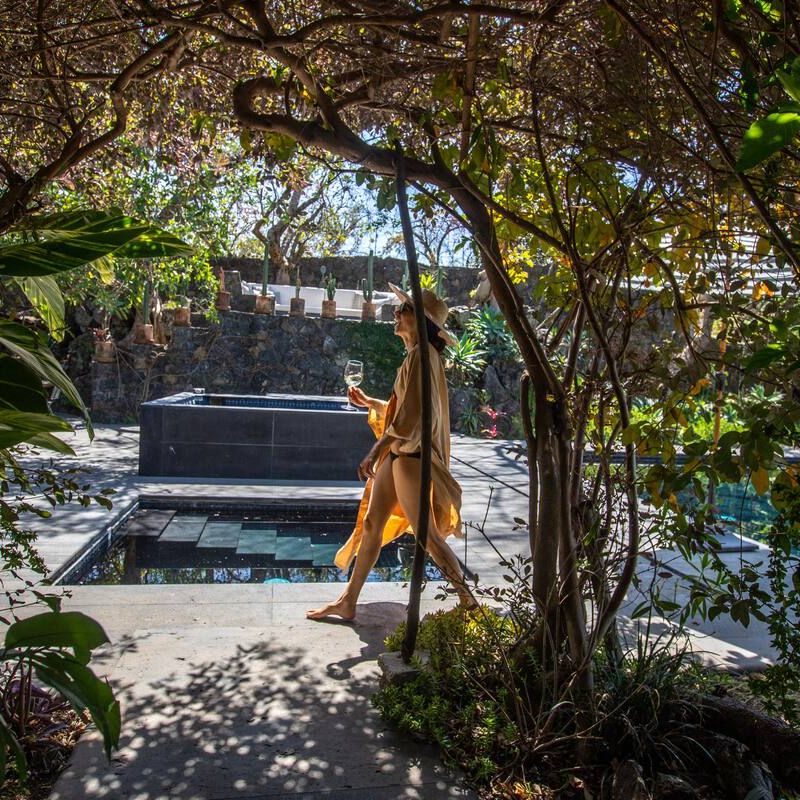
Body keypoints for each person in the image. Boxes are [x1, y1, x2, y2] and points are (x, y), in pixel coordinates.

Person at [306, 284, 476, 621]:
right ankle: (348, 601)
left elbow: (412, 418)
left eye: (404, 310)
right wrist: (372, 403)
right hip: (400, 455)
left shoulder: (423, 356)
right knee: (372, 523)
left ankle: (468, 601)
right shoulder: (417, 355)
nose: (396, 314)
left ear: (420, 321)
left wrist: (375, 450)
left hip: (410, 459)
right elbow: (405, 409)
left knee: (427, 536)